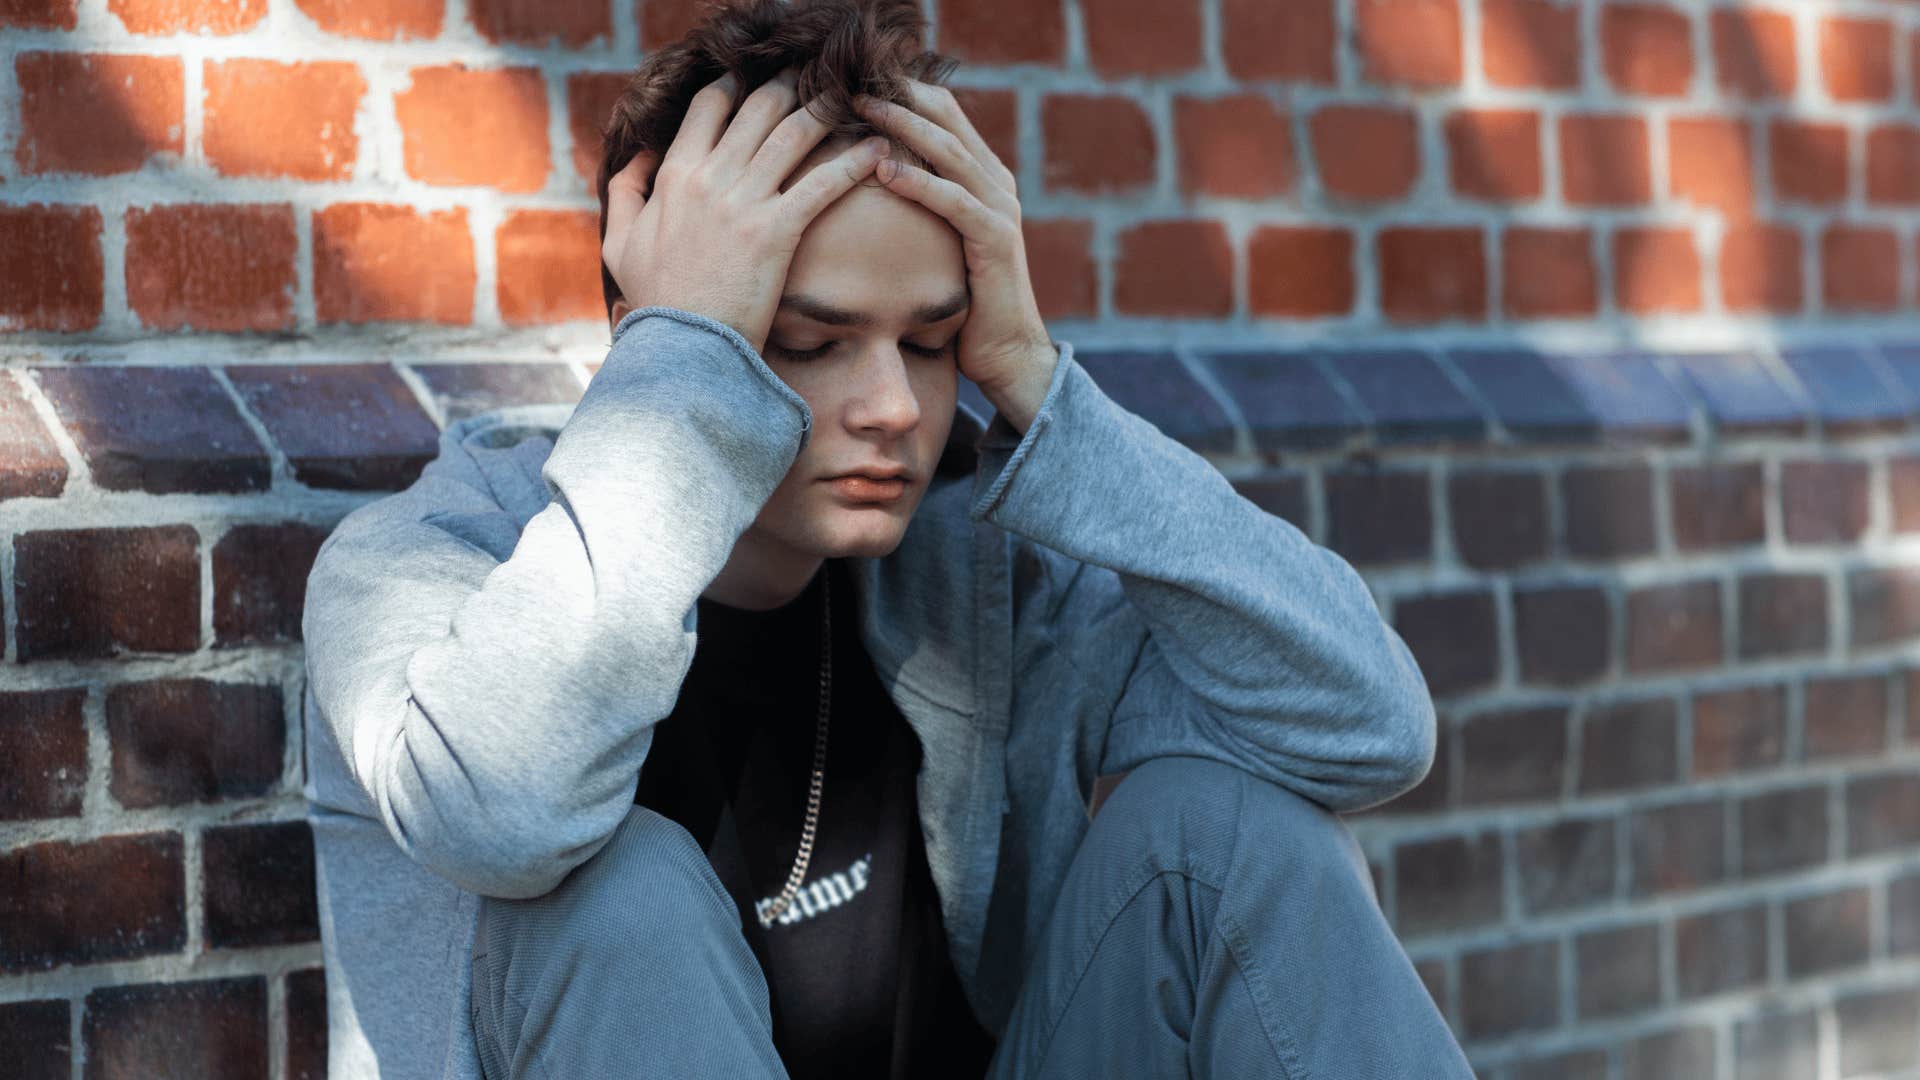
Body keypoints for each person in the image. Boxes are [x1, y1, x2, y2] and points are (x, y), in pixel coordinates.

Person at [299, 0, 1474, 1076]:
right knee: (618, 891)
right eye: (811, 342)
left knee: (1225, 834)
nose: (896, 408)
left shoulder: (976, 569)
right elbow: (500, 813)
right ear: (657, 334)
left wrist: (1032, 381)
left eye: (928, 341)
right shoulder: (418, 570)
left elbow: (1367, 729)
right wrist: (687, 363)